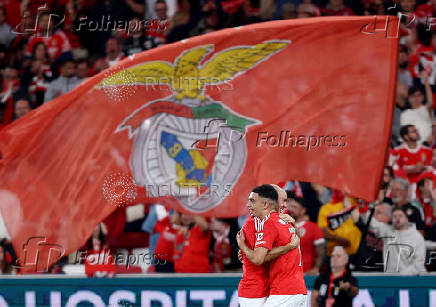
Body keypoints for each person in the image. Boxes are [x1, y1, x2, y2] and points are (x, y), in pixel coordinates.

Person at [237, 185, 307, 307]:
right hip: (261, 291)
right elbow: (295, 245)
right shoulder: (277, 221)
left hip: (281, 290)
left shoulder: (274, 221)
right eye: (283, 200)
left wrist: (243, 247)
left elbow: (258, 258)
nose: (286, 205)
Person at [363, 207, 427, 274]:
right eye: (394, 216)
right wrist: (363, 210)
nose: (397, 218)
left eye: (400, 216)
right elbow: (371, 223)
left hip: (414, 279)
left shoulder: (417, 237)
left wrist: (402, 275)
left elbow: (419, 263)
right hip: (391, 279)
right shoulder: (388, 232)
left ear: (407, 219)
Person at [288, 195, 326, 275]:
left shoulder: (312, 227)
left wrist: (316, 268)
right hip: (286, 273)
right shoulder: (284, 225)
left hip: (305, 273)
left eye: (295, 207)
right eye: (290, 207)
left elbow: (321, 251)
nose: (291, 210)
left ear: (303, 210)